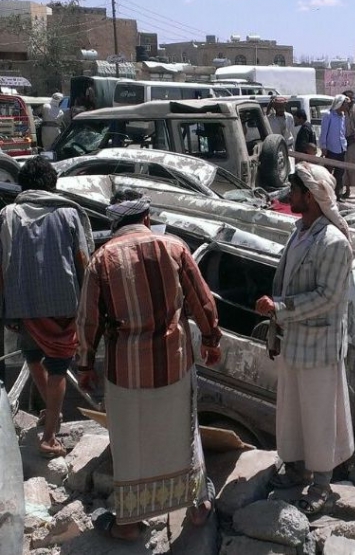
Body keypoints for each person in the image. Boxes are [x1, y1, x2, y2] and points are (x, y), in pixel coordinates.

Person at [77, 190, 222, 541]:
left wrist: (84, 365)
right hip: (174, 362)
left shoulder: (101, 260)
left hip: (125, 372)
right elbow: (202, 300)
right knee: (184, 433)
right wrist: (210, 339)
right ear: (146, 218)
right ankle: (198, 507)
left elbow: (88, 321)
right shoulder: (174, 248)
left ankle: (128, 524)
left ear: (114, 224)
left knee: (131, 445)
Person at [255, 162, 354, 516]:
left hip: (319, 345)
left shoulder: (334, 243)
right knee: (293, 413)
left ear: (310, 197)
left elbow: (327, 296)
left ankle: (321, 485)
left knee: (319, 417)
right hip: (294, 340)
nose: (289, 196)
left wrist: (280, 308)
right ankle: (297, 470)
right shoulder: (299, 231)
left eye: (295, 191)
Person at [0, 156, 92, 458]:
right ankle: (50, 435)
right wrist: (89, 303)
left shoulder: (9, 214)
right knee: (58, 367)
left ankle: (52, 413)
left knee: (33, 358)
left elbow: (2, 264)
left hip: (23, 303)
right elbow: (83, 260)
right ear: (52, 183)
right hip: (63, 305)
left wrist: (6, 307)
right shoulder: (69, 213)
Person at [319, 94, 349, 201]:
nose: (347, 106)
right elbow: (324, 132)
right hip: (331, 149)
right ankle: (326, 195)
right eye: (345, 104)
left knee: (340, 173)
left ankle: (337, 195)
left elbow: (342, 132)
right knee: (328, 173)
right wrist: (323, 146)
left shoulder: (343, 116)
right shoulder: (329, 115)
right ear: (340, 104)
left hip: (341, 148)